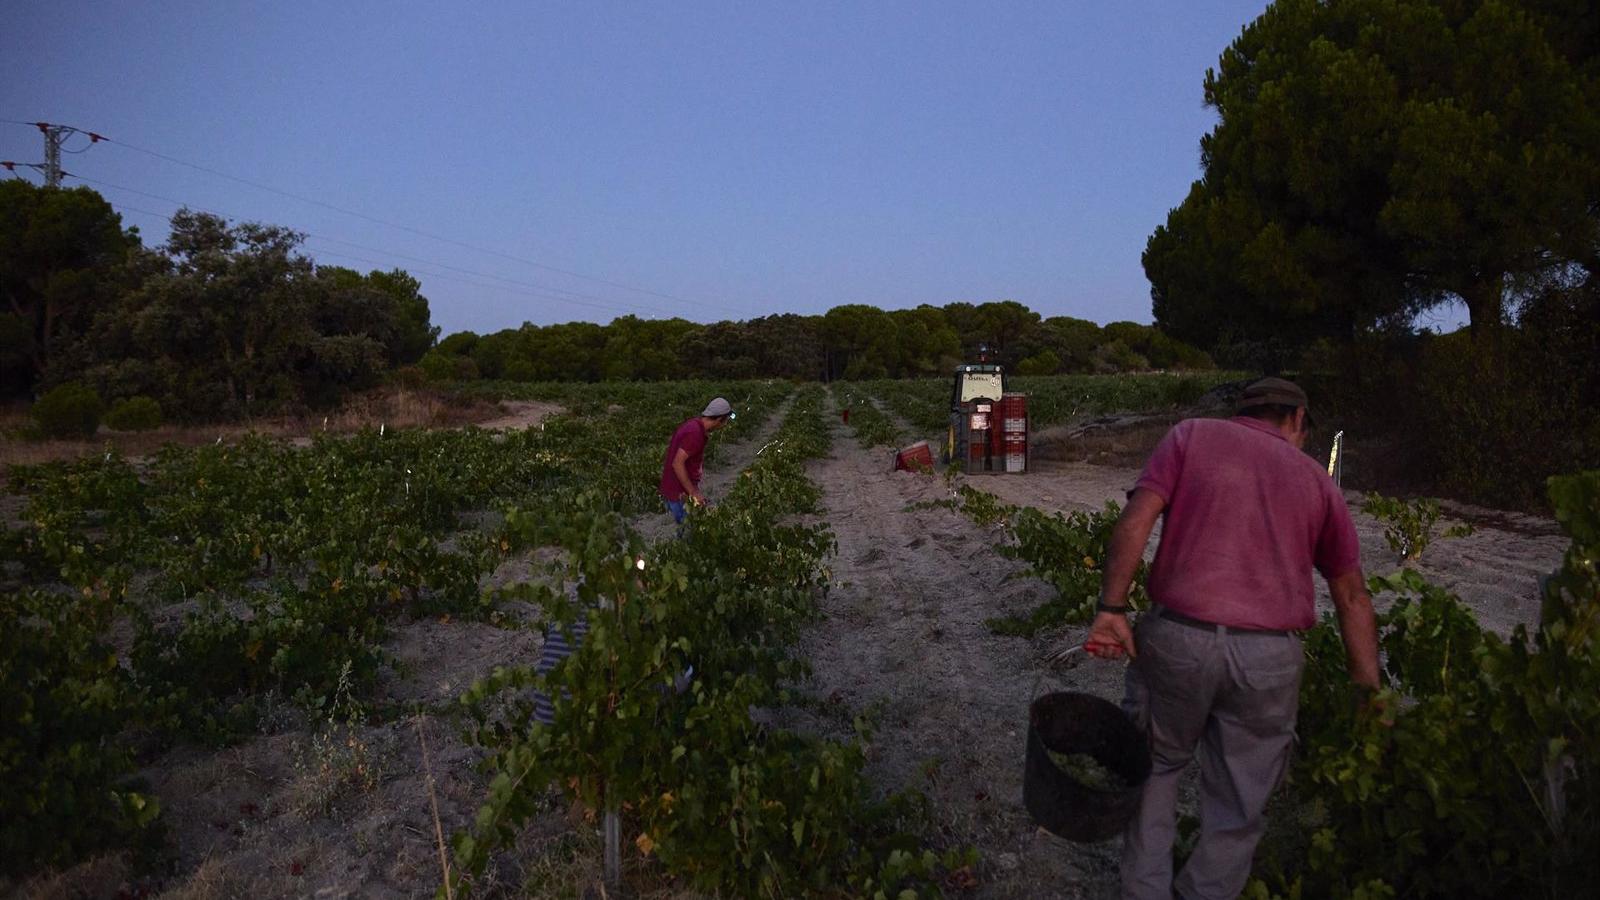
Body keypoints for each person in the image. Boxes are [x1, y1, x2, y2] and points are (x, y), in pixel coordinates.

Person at [1083, 376, 1380, 900]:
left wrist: (1111, 608)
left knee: (1154, 769)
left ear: (1243, 411)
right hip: (1269, 657)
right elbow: (1352, 596)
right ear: (1297, 420)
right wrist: (1365, 687)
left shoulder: (1190, 436)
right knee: (1239, 802)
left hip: (1179, 639)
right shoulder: (1317, 481)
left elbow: (1137, 517)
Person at [659, 397, 734, 525]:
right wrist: (693, 493)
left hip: (680, 489)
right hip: (679, 492)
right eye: (726, 420)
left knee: (689, 530)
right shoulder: (695, 433)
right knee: (688, 533)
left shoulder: (694, 425)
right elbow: (677, 464)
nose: (725, 424)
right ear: (719, 419)